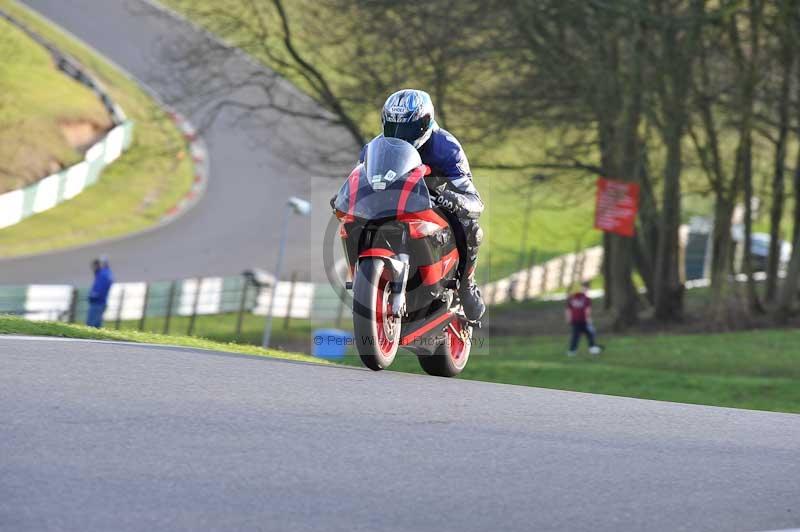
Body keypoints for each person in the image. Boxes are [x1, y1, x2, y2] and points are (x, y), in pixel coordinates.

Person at [360, 89, 485, 321]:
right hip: (391, 204)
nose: (401, 135)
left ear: (425, 123)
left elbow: (475, 201)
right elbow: (361, 177)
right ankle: (368, 280)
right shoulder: (375, 146)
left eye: (407, 129)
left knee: (471, 228)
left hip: (433, 206)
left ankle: (466, 285)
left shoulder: (447, 148)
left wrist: (454, 199)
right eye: (394, 127)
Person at [565, 281, 601, 357]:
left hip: (581, 320)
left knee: (587, 335)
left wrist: (569, 318)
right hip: (580, 321)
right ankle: (573, 350)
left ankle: (591, 348)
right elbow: (569, 309)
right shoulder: (578, 298)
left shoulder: (576, 298)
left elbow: (569, 309)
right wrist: (569, 318)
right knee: (581, 335)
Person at [87, 257, 113, 328]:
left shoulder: (103, 275)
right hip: (100, 302)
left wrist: (93, 296)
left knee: (91, 324)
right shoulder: (105, 273)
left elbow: (99, 289)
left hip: (98, 302)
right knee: (96, 324)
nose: (93, 268)